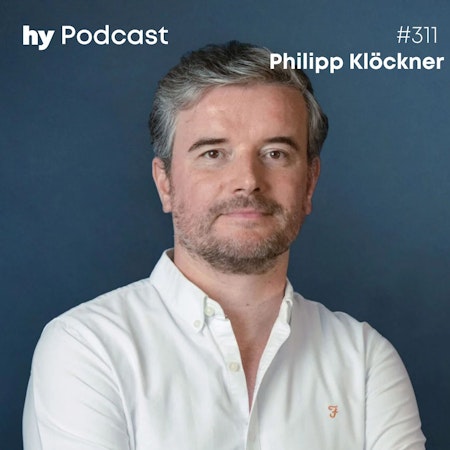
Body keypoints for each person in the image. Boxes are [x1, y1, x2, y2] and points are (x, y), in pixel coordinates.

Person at [23, 41, 426, 449]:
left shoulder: (364, 361)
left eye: (275, 153)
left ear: (309, 183)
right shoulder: (87, 348)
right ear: (165, 183)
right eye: (213, 153)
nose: (247, 180)